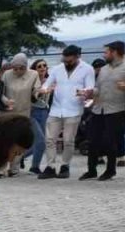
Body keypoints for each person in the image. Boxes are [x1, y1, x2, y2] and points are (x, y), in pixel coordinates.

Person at [82, 40, 125, 182]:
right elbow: (98, 88)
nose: (104, 55)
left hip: (116, 110)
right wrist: (89, 92)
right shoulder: (103, 69)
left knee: (110, 141)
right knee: (93, 140)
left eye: (106, 52)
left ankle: (110, 170)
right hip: (98, 109)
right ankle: (91, 170)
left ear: (115, 52)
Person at [38, 46, 95, 180]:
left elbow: (90, 87)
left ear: (77, 57)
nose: (66, 63)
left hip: (74, 109)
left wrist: (84, 92)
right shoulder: (57, 69)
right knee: (50, 139)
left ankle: (65, 165)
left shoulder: (87, 69)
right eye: (65, 61)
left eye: (69, 61)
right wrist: (45, 89)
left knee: (68, 140)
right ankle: (50, 166)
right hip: (56, 109)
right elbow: (47, 84)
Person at [0, 54, 38, 177]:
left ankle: (14, 167)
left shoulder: (33, 74)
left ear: (26, 66)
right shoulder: (7, 74)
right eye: (15, 68)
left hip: (23, 112)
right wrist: (6, 101)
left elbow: (36, 90)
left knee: (20, 140)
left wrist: (38, 94)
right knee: (6, 140)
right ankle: (2, 166)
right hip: (8, 113)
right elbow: (1, 92)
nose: (18, 71)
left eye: (21, 68)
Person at [28, 60, 52, 175]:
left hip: (44, 112)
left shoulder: (50, 81)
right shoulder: (31, 82)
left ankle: (19, 157)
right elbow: (32, 98)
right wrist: (39, 92)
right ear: (35, 69)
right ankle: (34, 167)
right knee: (41, 141)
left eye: (44, 65)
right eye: (39, 66)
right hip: (32, 112)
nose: (43, 68)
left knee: (39, 143)